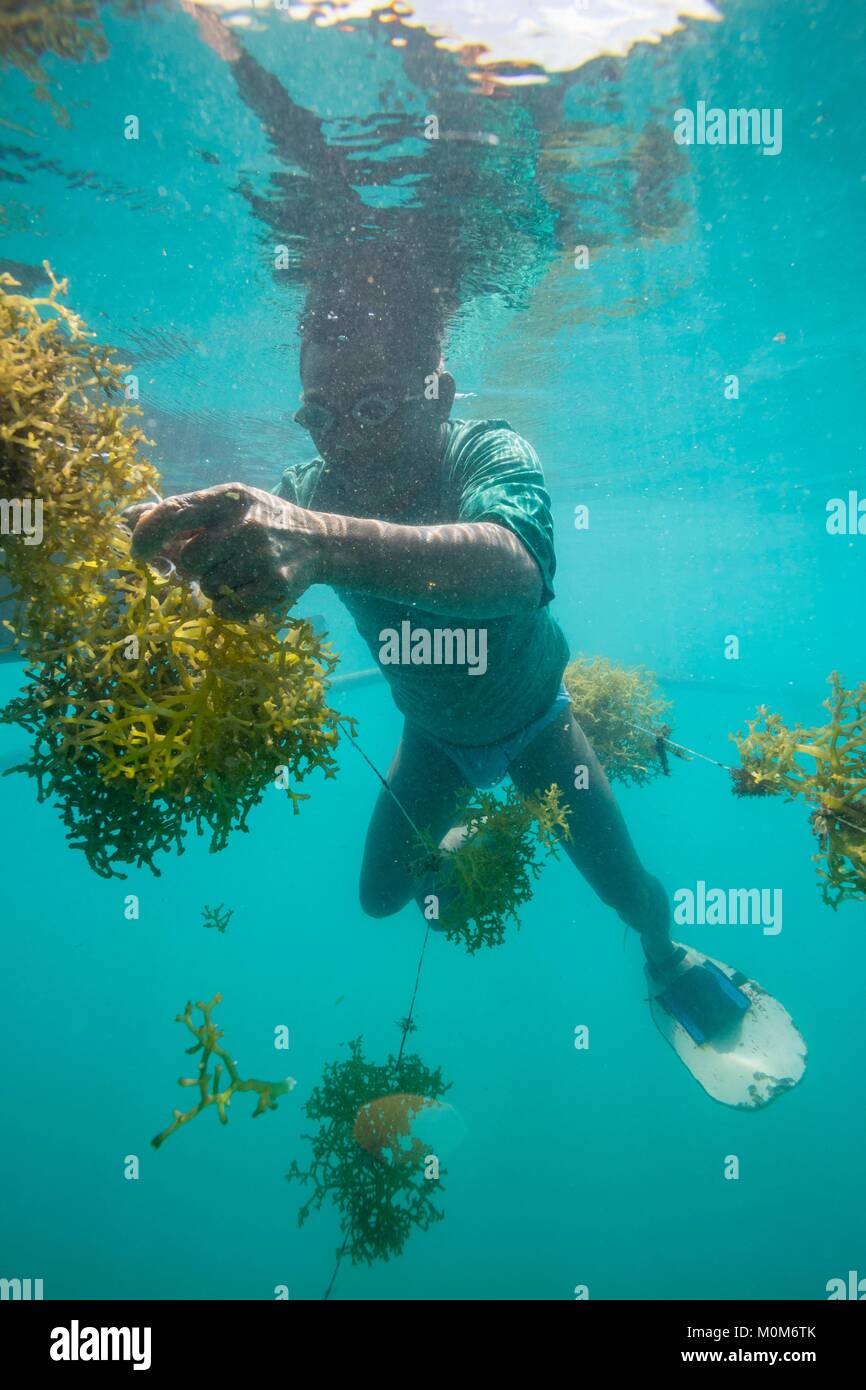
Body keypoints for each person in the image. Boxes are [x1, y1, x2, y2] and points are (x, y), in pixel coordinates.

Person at [131, 259, 747, 1042]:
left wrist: (321, 543)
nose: (344, 440)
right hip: (434, 741)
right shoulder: (307, 492)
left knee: (630, 894)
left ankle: (667, 960)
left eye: (376, 407)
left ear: (441, 396)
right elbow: (233, 572)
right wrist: (164, 568)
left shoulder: (486, 454)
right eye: (319, 416)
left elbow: (514, 566)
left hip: (538, 725)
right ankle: (467, 840)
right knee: (381, 898)